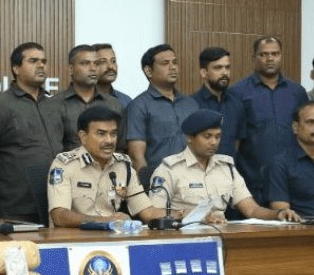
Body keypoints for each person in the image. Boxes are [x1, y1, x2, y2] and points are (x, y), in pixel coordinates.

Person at [149, 110, 298, 224]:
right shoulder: (169, 169)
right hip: (184, 238)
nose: (214, 142)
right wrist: (189, 215)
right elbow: (153, 214)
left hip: (222, 236)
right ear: (189, 138)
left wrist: (278, 214)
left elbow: (251, 210)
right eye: (207, 136)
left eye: (218, 136)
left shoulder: (227, 168)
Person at [47, 105, 164, 227]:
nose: (109, 140)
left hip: (112, 235)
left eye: (113, 134)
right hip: (75, 236)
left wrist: (176, 216)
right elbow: (59, 216)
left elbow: (147, 212)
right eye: (101, 134)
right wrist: (104, 220)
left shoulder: (123, 166)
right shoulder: (65, 165)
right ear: (83, 137)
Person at [0, 42, 64, 220]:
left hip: (55, 203)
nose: (41, 65)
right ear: (16, 68)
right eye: (33, 61)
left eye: (44, 61)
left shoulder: (54, 104)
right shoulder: (1, 105)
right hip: (15, 206)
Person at [233, 36, 308, 205]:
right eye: (264, 54)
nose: (270, 58)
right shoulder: (238, 92)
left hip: (292, 181)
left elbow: (305, 135)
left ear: (281, 56)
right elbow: (234, 140)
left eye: (275, 54)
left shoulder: (297, 92)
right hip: (252, 181)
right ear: (254, 58)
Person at [125, 43, 197, 186]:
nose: (173, 67)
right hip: (159, 183)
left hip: (193, 182)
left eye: (174, 62)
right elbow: (136, 156)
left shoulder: (191, 104)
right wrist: (149, 186)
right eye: (165, 63)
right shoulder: (139, 106)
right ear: (148, 71)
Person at [57, 44, 113, 150]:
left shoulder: (113, 104)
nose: (93, 68)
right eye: (85, 63)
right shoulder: (55, 104)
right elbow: (52, 150)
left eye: (96, 63)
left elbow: (121, 149)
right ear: (71, 69)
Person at [192, 46, 245, 157]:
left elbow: (237, 143)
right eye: (218, 68)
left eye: (227, 67)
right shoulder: (192, 104)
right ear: (204, 73)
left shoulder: (237, 103)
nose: (224, 72)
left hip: (230, 166)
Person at [93, 42, 132, 107]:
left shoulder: (126, 101)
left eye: (113, 61)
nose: (110, 66)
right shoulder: (83, 101)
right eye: (103, 62)